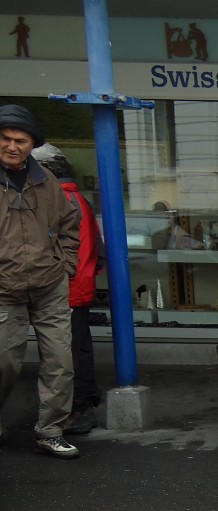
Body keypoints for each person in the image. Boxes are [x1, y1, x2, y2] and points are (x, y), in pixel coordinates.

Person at [0, 104, 81, 459]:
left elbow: (69, 225)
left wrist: (67, 265)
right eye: (5, 138)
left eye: (20, 140)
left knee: (60, 362)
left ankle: (50, 431)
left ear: (31, 145)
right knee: (4, 362)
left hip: (49, 284)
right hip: (4, 289)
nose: (11, 146)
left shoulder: (46, 181)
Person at [31, 143, 103, 435]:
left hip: (64, 289)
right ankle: (80, 405)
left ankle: (77, 409)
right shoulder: (78, 199)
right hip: (77, 285)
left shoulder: (57, 200)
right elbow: (98, 250)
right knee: (76, 349)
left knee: (66, 355)